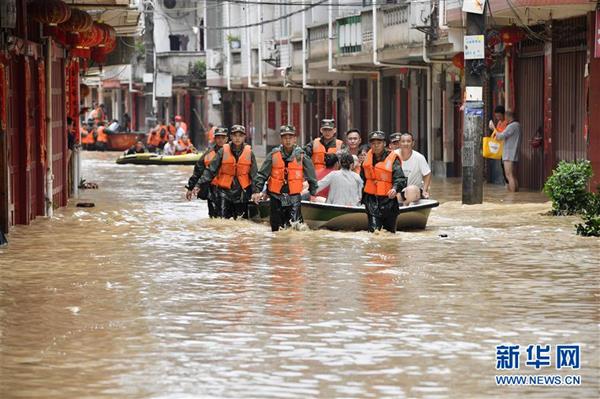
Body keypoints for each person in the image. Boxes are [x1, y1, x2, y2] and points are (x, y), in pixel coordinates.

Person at [252, 125, 318, 232]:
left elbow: (311, 176)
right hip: (276, 197)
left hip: (293, 197)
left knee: (294, 228)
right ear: (281, 139)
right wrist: (256, 191)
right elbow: (262, 174)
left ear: (295, 139)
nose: (288, 140)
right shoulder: (273, 155)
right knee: (276, 229)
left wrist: (313, 193)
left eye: (290, 137)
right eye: (285, 137)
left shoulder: (301, 155)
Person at [198, 125, 257, 219]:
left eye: (240, 135)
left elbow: (254, 175)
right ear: (231, 137)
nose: (237, 138)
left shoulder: (249, 153)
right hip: (224, 192)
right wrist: (198, 184)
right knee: (222, 221)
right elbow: (210, 170)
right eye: (235, 135)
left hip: (242, 192)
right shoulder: (222, 151)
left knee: (241, 221)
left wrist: (256, 191)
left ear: (244, 137)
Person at [361, 131, 407, 233]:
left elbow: (400, 179)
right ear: (370, 145)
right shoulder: (366, 160)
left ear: (384, 144)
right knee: (374, 233)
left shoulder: (393, 159)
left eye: (379, 143)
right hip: (371, 201)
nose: (376, 146)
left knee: (389, 234)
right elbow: (362, 180)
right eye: (373, 143)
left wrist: (395, 189)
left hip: (388, 201)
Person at [186, 127, 228, 217]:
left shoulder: (234, 152)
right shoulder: (208, 154)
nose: (220, 140)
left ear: (227, 139)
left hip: (229, 189)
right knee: (213, 216)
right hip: (213, 189)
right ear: (215, 139)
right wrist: (190, 188)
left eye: (223, 138)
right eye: (218, 138)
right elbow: (198, 171)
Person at [395, 132, 432, 206]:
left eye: (408, 141)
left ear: (413, 143)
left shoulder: (419, 157)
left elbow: (427, 174)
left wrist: (425, 190)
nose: (406, 144)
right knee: (396, 195)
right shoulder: (393, 155)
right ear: (399, 143)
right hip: (398, 190)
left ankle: (405, 204)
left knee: (411, 190)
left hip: (415, 190)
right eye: (403, 141)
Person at [494, 110, 522, 192]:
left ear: (507, 116)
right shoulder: (518, 125)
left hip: (509, 154)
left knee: (509, 175)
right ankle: (516, 195)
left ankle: (512, 195)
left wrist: (493, 128)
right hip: (513, 153)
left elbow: (500, 136)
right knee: (513, 175)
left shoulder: (512, 126)